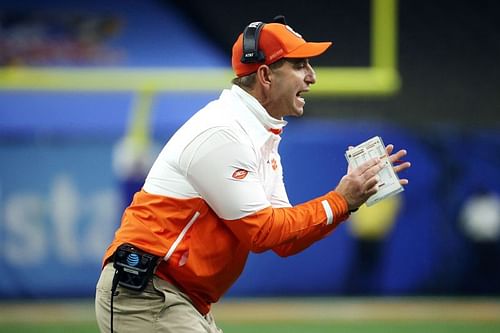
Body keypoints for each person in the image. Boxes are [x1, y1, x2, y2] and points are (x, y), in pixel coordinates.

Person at [95, 16, 411, 333]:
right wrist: (341, 200)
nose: (312, 76)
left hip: (173, 297)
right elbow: (263, 234)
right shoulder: (224, 131)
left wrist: (349, 200)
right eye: (299, 64)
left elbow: (286, 241)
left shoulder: (260, 136)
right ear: (265, 75)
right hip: (146, 294)